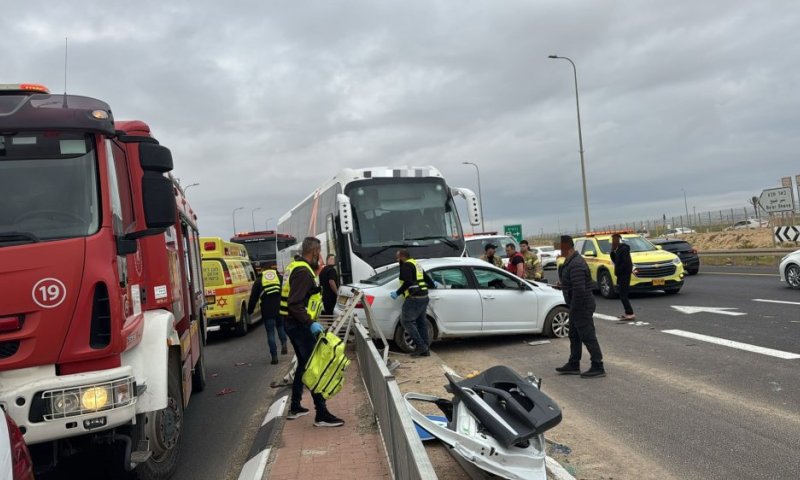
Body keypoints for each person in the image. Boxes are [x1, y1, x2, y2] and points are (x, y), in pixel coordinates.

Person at [281, 237, 344, 427]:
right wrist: (310, 323)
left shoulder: (295, 266)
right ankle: (321, 414)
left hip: (293, 324)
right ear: (315, 251)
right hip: (300, 325)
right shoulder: (303, 272)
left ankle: (295, 407)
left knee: (303, 364)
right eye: (320, 251)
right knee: (315, 367)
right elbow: (294, 303)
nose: (320, 255)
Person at [555, 235, 605, 378]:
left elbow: (579, 290)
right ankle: (574, 363)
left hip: (581, 305)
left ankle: (598, 366)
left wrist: (574, 309)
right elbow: (574, 284)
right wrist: (563, 286)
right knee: (574, 335)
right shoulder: (570, 261)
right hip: (576, 305)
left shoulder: (576, 263)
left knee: (587, 336)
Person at [390, 249, 430, 357]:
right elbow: (425, 277)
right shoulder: (416, 264)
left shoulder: (406, 266)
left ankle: (421, 347)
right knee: (421, 323)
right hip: (424, 296)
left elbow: (407, 281)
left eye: (397, 257)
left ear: (402, 257)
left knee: (407, 322)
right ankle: (425, 348)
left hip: (414, 297)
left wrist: (397, 293)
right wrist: (432, 284)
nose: (397, 259)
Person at [248, 262, 287, 364]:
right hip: (280, 308)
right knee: (280, 326)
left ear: (262, 270)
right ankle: (284, 343)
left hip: (267, 310)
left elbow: (253, 298)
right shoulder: (279, 278)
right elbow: (286, 291)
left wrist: (250, 311)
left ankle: (274, 357)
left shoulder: (259, 281)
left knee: (270, 333)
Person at [610, 234, 635, 321]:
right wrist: (612, 252)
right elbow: (616, 261)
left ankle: (630, 313)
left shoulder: (623, 250)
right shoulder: (619, 250)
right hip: (622, 275)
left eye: (613, 240)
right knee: (622, 294)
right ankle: (628, 313)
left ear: (617, 240)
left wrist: (619, 271)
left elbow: (625, 263)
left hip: (624, 275)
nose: (612, 242)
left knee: (623, 295)